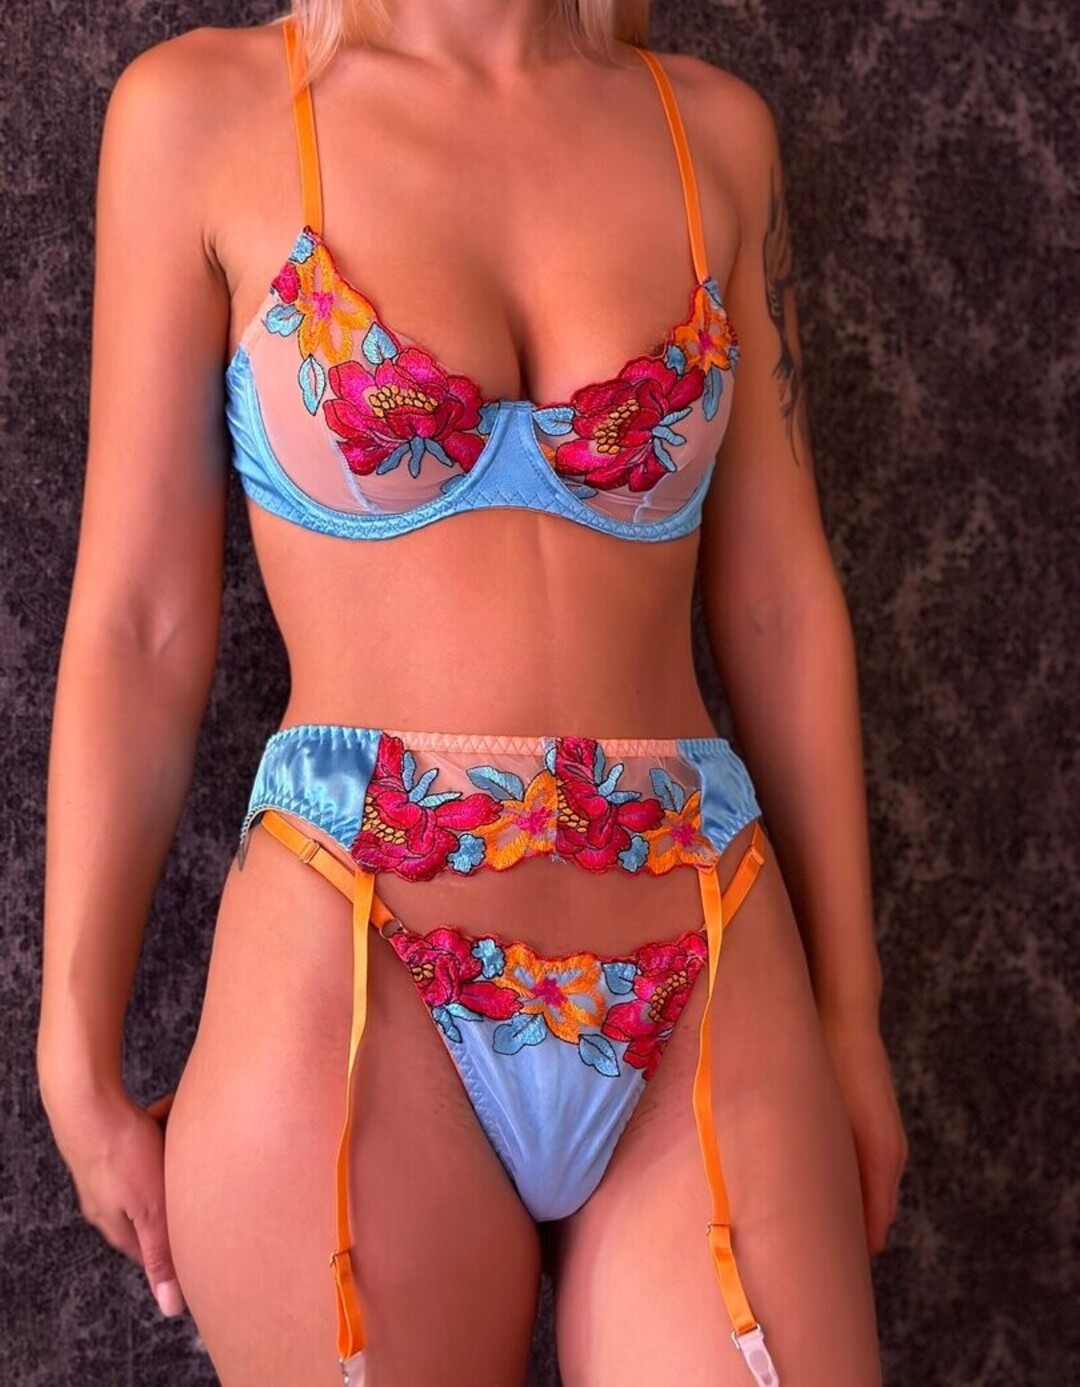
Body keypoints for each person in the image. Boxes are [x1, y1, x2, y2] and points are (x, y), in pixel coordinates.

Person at [37, 1, 908, 1383]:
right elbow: (141, 624)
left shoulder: (714, 135)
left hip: (709, 953)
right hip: (347, 970)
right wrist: (71, 1050)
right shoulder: (197, 117)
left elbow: (780, 609)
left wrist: (854, 1022)